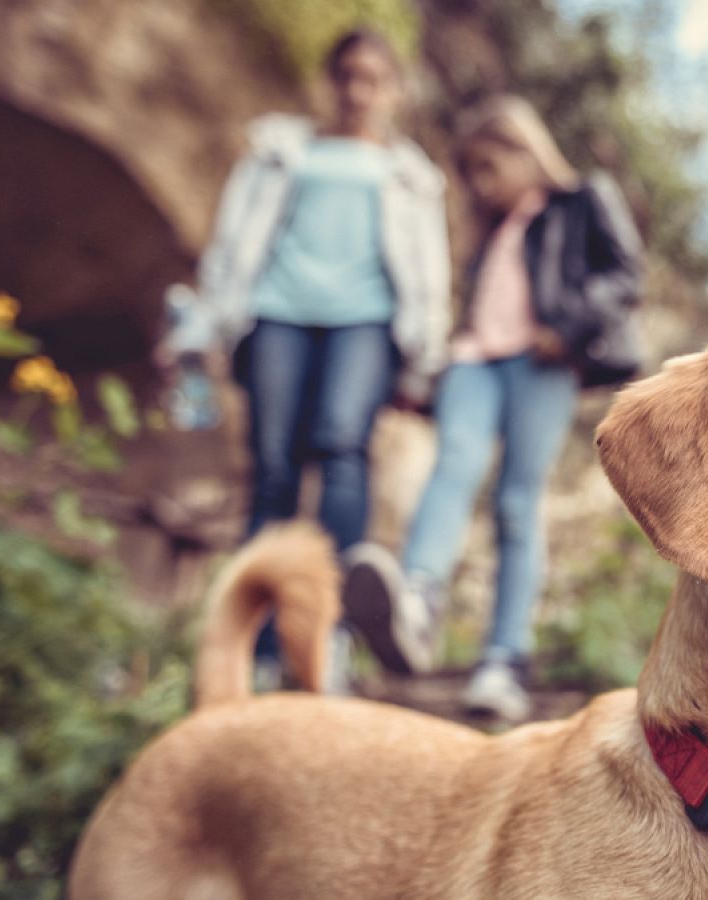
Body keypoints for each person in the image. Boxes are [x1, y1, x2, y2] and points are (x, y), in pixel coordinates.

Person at [165, 29, 450, 690]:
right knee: (272, 471)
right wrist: (202, 324)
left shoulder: (411, 176)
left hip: (367, 322)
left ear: (395, 92)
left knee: (343, 450)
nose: (358, 91)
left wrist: (423, 359)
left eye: (374, 79)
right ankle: (259, 650)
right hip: (276, 314)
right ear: (331, 80)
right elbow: (233, 243)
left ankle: (330, 640)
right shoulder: (279, 151)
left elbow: (430, 273)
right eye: (348, 75)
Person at [342, 95, 644, 721]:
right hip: (475, 362)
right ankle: (417, 604)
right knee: (452, 465)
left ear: (524, 150)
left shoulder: (582, 200)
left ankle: (504, 659)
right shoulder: (492, 234)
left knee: (516, 501)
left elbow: (624, 275)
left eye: (489, 167)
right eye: (472, 173)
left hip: (543, 362)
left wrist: (568, 327)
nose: (481, 185)